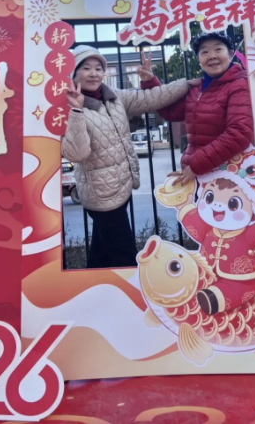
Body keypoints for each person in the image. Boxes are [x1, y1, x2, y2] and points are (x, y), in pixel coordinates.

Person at [62, 45, 195, 269]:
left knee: (102, 254)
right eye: (86, 68)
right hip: (101, 196)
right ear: (74, 74)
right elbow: (77, 153)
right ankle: (134, 288)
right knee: (126, 255)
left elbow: (152, 97)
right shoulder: (69, 106)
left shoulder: (115, 97)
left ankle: (94, 284)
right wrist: (76, 111)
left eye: (98, 68)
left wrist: (186, 84)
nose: (94, 73)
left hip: (121, 188)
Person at [140, 32, 254, 183]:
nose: (212, 56)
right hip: (198, 174)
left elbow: (239, 133)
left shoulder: (238, 85)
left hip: (227, 174)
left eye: (218, 49)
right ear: (198, 59)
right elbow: (169, 112)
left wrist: (195, 166)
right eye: (204, 52)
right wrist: (150, 82)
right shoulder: (197, 88)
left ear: (230, 54)